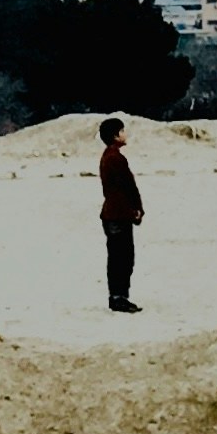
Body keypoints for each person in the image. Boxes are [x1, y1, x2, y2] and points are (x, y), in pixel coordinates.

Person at [96, 113, 144, 312]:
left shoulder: (109, 156)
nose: (125, 134)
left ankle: (118, 296)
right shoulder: (115, 158)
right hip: (118, 214)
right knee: (122, 257)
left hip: (113, 214)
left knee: (119, 256)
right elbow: (126, 188)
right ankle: (118, 297)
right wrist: (136, 210)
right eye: (122, 131)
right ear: (115, 136)